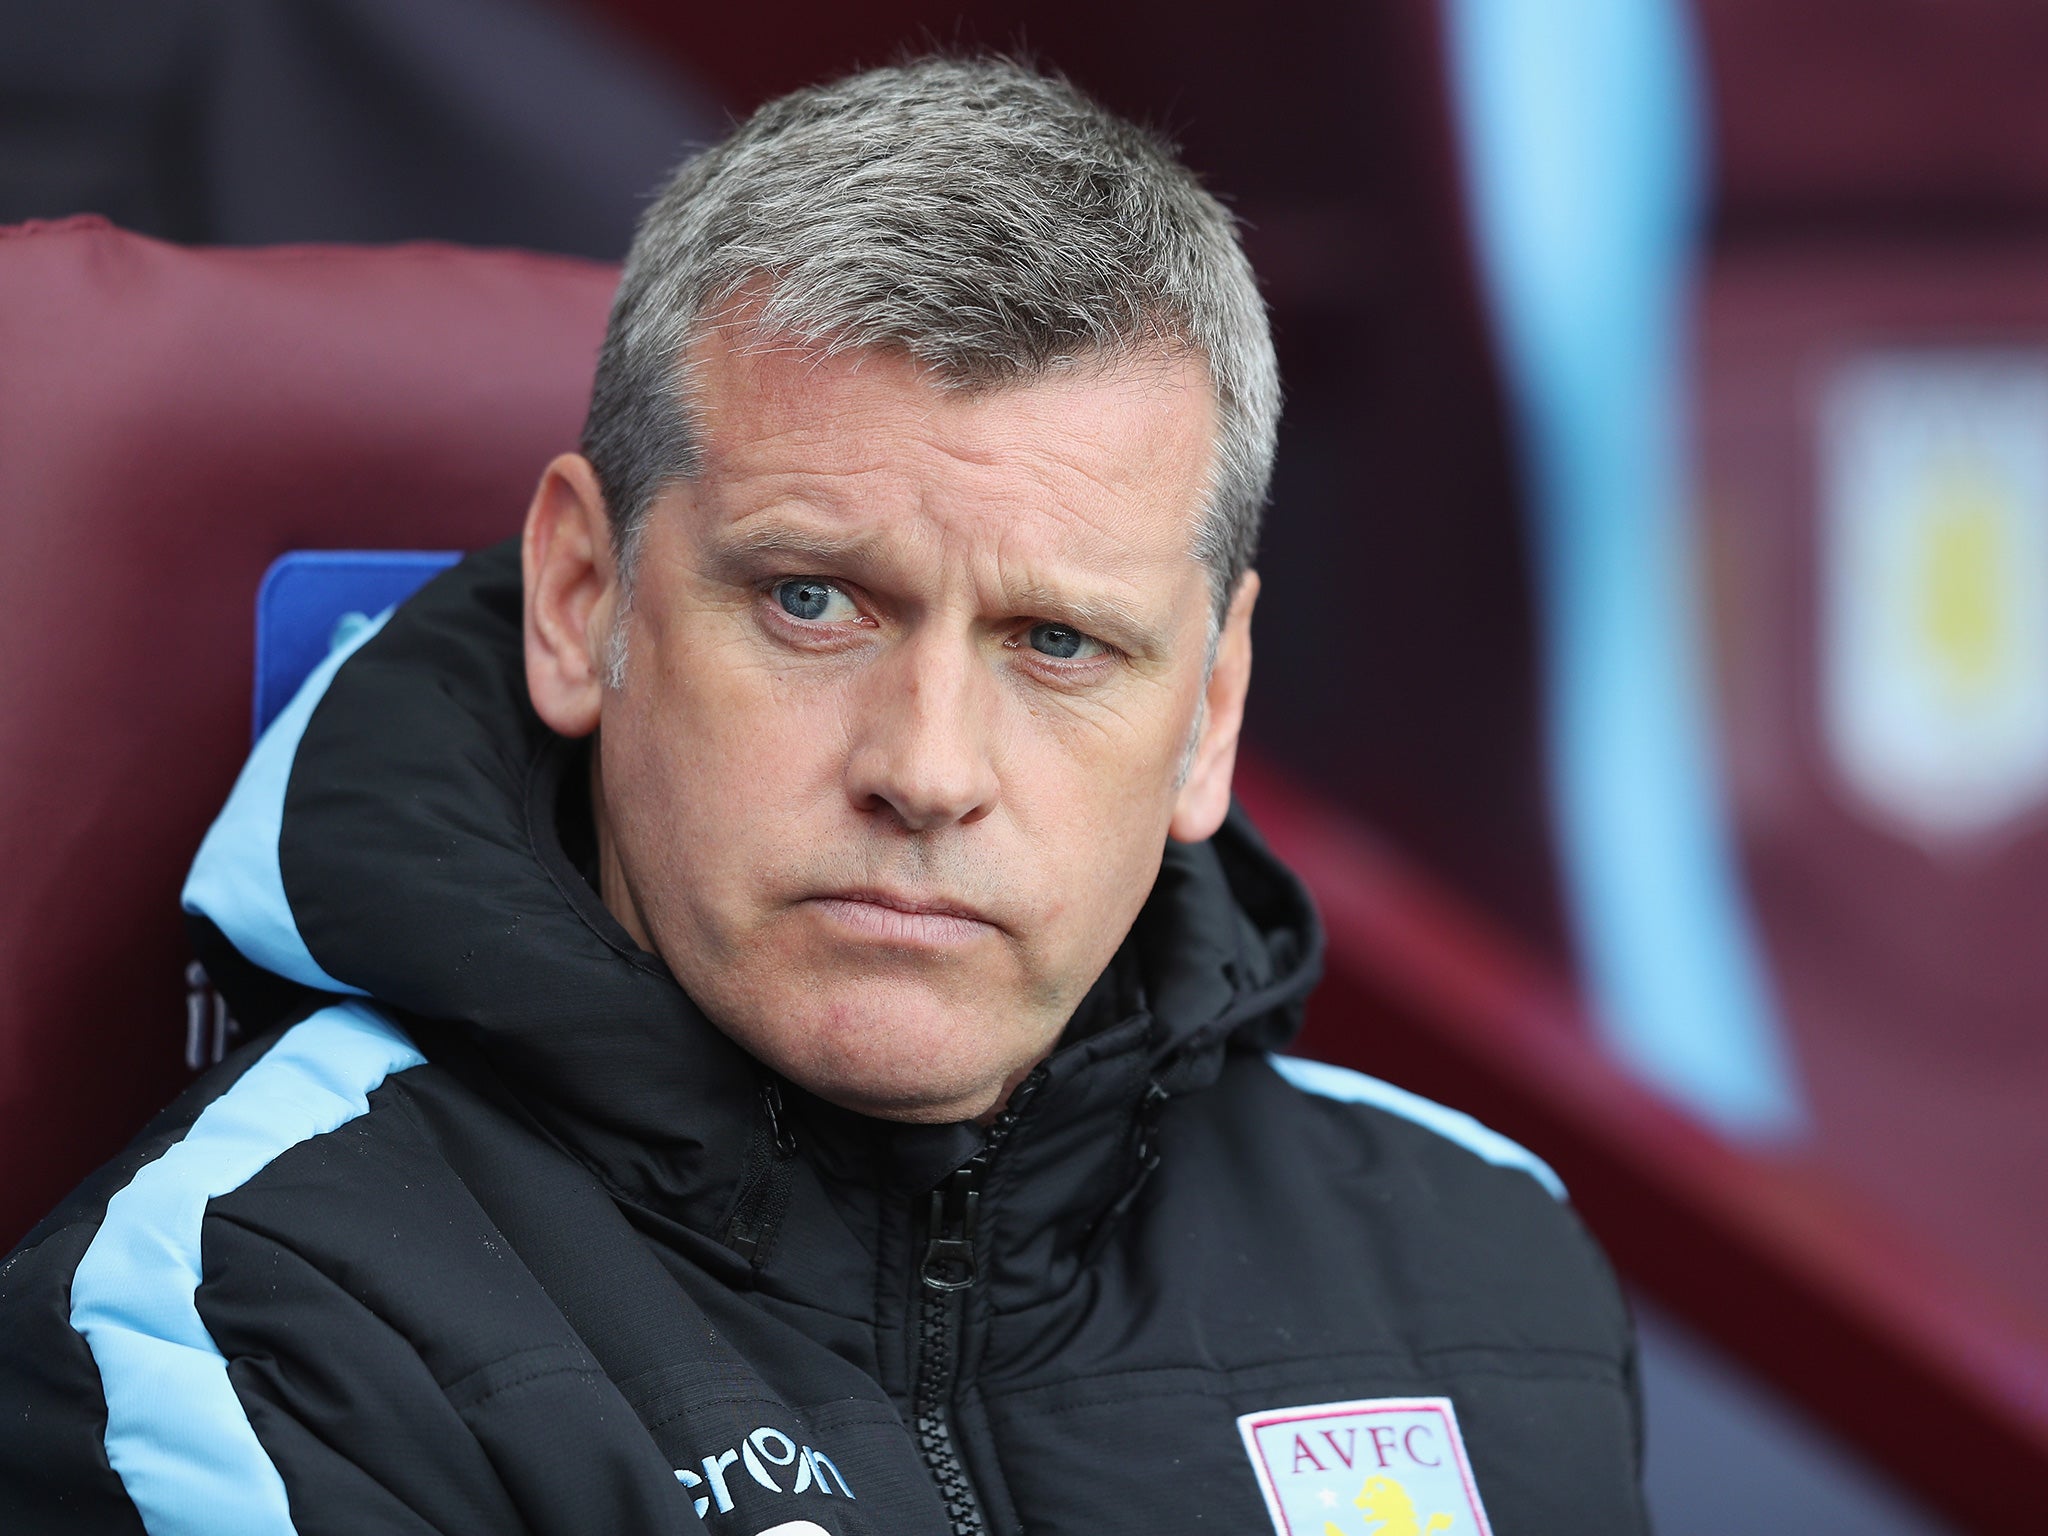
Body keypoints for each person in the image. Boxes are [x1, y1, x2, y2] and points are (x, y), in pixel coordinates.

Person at [0, 57, 1646, 1535]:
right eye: (813, 601)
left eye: (1058, 641)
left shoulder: (1486, 1259)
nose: (927, 771)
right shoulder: (242, 1326)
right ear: (582, 601)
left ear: (1210, 710)